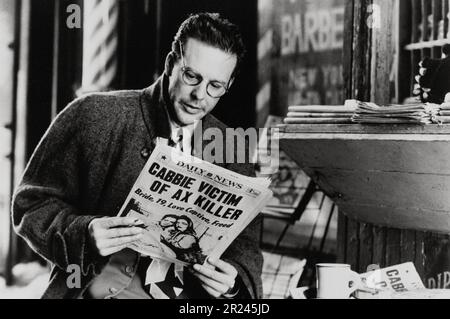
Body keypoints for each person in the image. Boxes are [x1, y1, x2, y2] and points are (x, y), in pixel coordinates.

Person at [12, 12, 262, 299]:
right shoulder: (93, 115)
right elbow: (30, 205)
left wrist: (232, 286)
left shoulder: (231, 147)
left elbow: (245, 250)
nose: (199, 96)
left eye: (215, 86)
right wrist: (85, 232)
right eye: (191, 76)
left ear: (227, 87)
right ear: (170, 64)